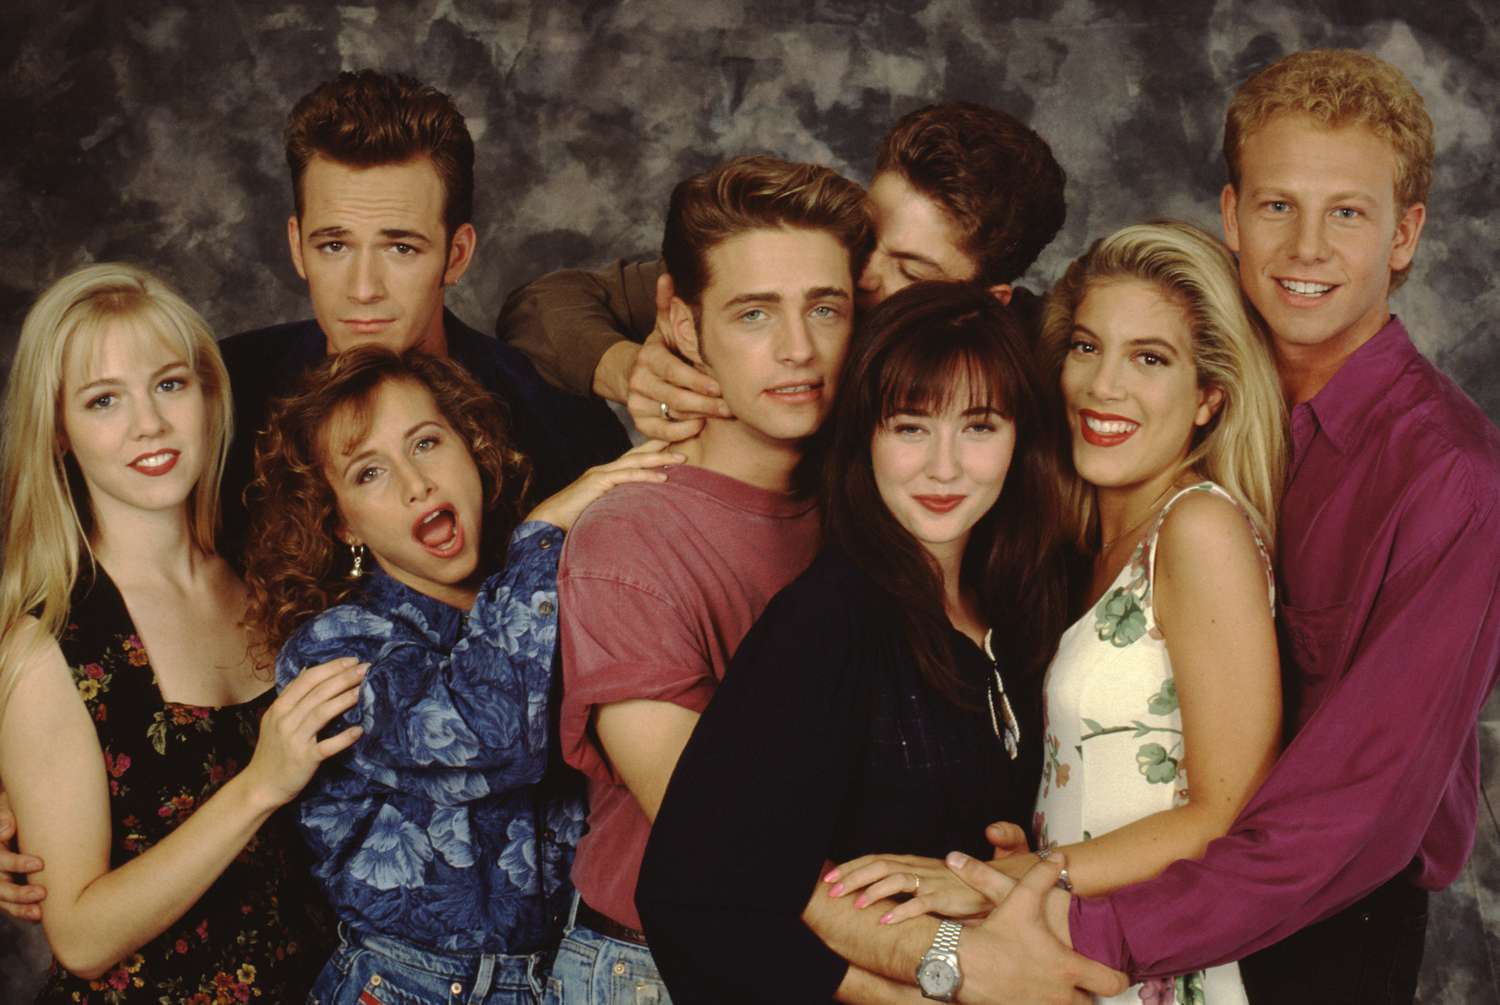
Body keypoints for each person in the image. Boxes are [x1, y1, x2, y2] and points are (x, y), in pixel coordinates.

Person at [823, 48, 1500, 1005]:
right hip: (1128, 906)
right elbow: (944, 348)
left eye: (1348, 211)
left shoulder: (1451, 479)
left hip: (1316, 933)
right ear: (1231, 217)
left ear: (1406, 235)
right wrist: (634, 338)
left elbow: (1352, 817)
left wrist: (1059, 915)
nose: (1305, 248)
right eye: (1276, 206)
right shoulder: (1159, 359)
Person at [825, 223, 1287, 1004]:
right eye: (1085, 346)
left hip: (1153, 964)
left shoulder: (1198, 528)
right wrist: (1035, 843)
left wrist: (1014, 876)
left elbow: (1225, 810)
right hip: (1065, 947)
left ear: (1209, 397)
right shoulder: (1079, 545)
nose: (1104, 385)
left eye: (1150, 357)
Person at [634, 280, 1075, 1004]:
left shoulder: (1019, 611)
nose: (943, 466)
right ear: (865, 434)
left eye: (979, 426)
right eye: (910, 426)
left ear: (1020, 437)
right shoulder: (828, 621)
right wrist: (915, 981)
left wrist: (997, 878)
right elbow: (693, 895)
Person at [548, 154, 904, 1003]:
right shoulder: (628, 539)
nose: (798, 349)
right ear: (680, 318)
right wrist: (945, 964)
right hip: (652, 970)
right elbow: (729, 842)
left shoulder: (879, 503)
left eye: (826, 308)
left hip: (835, 954)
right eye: (754, 313)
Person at [241, 346, 676, 1004]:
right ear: (342, 522)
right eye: (369, 474)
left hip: (552, 981)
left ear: (472, 447)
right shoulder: (333, 647)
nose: (416, 482)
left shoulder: (549, 592)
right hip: (401, 987)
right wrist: (542, 528)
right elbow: (485, 734)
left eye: (426, 441)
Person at [0, 262, 361, 1002]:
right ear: (60, 433)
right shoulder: (50, 647)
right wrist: (260, 784)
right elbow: (79, 935)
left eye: (169, 384)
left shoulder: (265, 571)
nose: (149, 424)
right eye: (104, 400)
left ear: (207, 395)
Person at [216, 69, 626, 564]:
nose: (363, 289)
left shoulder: (559, 421)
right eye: (334, 245)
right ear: (297, 247)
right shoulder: (226, 395)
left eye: (401, 248)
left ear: (457, 255)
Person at [496, 101, 1067, 441]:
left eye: (911, 274)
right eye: (869, 236)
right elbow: (539, 306)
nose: (862, 275)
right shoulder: (791, 263)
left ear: (990, 301)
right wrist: (626, 371)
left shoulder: (1045, 358)